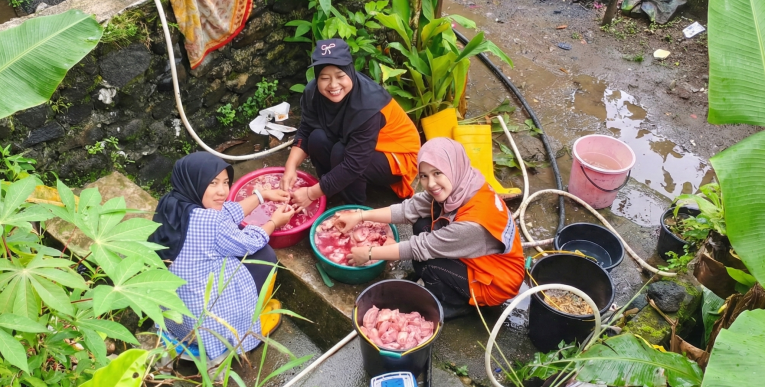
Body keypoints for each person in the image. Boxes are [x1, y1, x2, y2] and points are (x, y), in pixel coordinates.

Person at [334, 138, 525, 317]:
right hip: (477, 257)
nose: (431, 184)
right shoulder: (463, 183)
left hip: (496, 282)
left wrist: (368, 253)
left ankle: (455, 305)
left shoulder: (474, 224)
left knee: (426, 264)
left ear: (452, 168)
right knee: (421, 224)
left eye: (437, 173)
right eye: (424, 176)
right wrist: (360, 215)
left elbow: (418, 248)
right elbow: (409, 208)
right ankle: (449, 283)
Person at [148, 152, 296, 362]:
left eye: (226, 182)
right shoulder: (210, 221)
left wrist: (262, 196)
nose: (222, 191)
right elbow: (250, 243)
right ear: (196, 182)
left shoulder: (173, 201)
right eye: (213, 183)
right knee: (265, 256)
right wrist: (274, 221)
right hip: (206, 325)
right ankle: (248, 324)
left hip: (175, 317)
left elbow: (225, 212)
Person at [281, 38, 421, 208]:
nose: (333, 85)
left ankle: (353, 207)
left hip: (397, 156)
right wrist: (290, 167)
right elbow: (306, 129)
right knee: (316, 138)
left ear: (350, 72)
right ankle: (331, 190)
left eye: (340, 76)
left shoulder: (368, 105)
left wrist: (311, 193)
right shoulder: (313, 93)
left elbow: (355, 164)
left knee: (342, 153)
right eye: (324, 78)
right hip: (356, 145)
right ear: (317, 77)